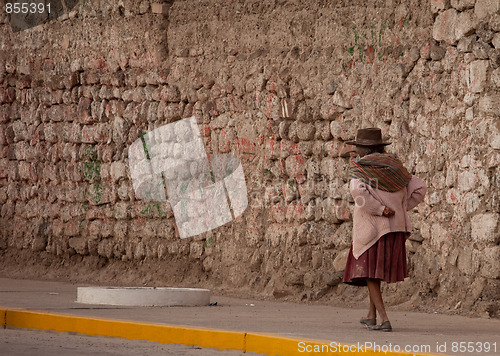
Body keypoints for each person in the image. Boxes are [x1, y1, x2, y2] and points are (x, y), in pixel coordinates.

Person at [341, 128, 427, 332]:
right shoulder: (395, 168)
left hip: (372, 230)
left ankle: (384, 319)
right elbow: (419, 188)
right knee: (374, 273)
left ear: (361, 150)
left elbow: (357, 193)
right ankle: (370, 316)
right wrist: (400, 207)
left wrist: (380, 209)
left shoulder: (361, 169)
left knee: (370, 274)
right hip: (394, 229)